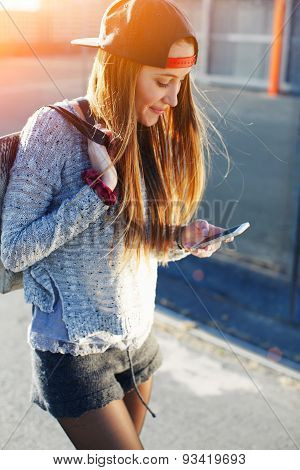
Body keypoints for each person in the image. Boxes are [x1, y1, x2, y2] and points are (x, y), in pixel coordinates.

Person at [0, 0, 234, 450]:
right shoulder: (53, 129)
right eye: (164, 82)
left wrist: (179, 238)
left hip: (137, 344)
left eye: (181, 83)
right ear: (122, 72)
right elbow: (13, 250)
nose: (174, 99)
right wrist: (98, 194)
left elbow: (131, 240)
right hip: (73, 354)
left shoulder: (144, 129)